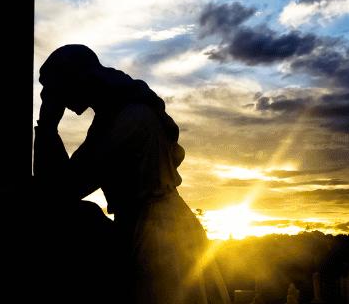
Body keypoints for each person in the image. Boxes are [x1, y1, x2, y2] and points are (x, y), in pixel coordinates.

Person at [34, 44, 231, 304]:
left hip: (158, 238)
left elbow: (65, 190)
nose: (49, 97)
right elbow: (54, 186)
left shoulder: (131, 120)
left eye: (53, 87)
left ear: (76, 79)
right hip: (141, 228)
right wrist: (47, 129)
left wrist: (48, 126)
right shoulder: (109, 120)